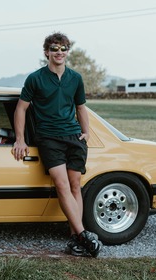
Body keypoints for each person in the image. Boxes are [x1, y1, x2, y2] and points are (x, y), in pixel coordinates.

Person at [11, 32, 102, 258]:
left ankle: (76, 239)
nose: (59, 52)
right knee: (61, 185)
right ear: (46, 53)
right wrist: (20, 139)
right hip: (49, 138)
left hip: (73, 137)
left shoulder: (75, 78)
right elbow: (21, 108)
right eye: (54, 49)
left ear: (67, 52)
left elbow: (81, 108)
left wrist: (86, 132)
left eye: (63, 49)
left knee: (75, 185)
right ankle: (83, 235)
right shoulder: (35, 78)